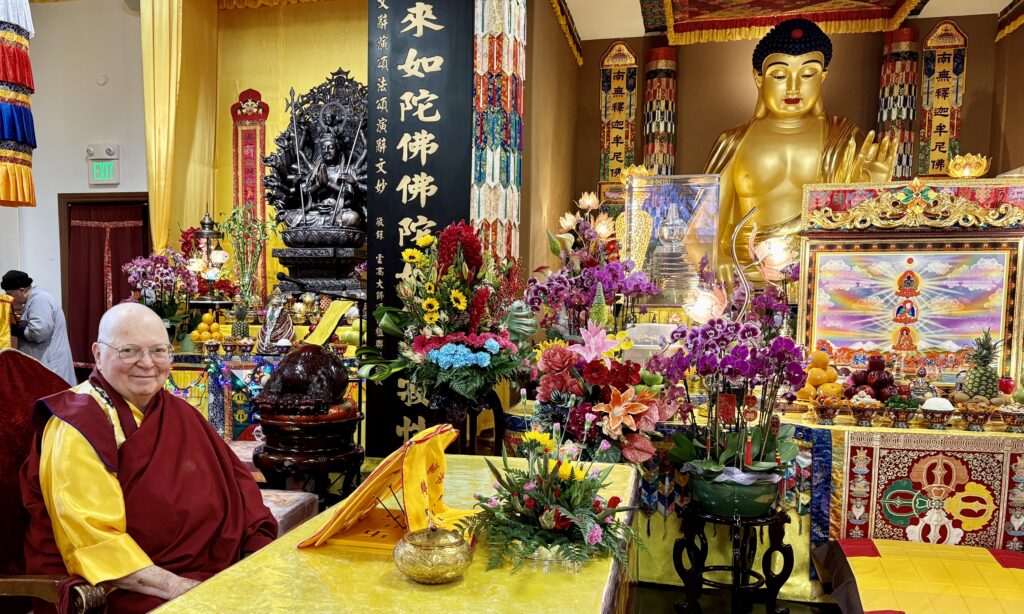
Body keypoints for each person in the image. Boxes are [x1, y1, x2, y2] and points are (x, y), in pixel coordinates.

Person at [20, 303, 277, 613]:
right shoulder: (78, 425)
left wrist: (252, 556)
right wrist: (187, 590)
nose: (147, 364)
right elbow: (96, 543)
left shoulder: (176, 411)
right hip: (121, 589)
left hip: (204, 570)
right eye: (129, 351)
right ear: (98, 354)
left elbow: (238, 489)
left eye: (159, 351)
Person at [699, 18, 896, 278]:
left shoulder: (844, 138)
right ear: (759, 79)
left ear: (823, 77)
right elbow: (702, 226)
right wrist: (717, 258)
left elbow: (861, 227)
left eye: (807, 74)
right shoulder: (734, 140)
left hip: (818, 271)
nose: (794, 86)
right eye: (779, 75)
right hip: (744, 273)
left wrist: (875, 189)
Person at [2, 270, 75, 385]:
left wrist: (17, 329)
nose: (9, 299)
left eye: (10, 294)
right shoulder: (31, 301)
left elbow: (38, 333)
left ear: (22, 290)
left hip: (50, 365)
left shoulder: (39, 300)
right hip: (45, 364)